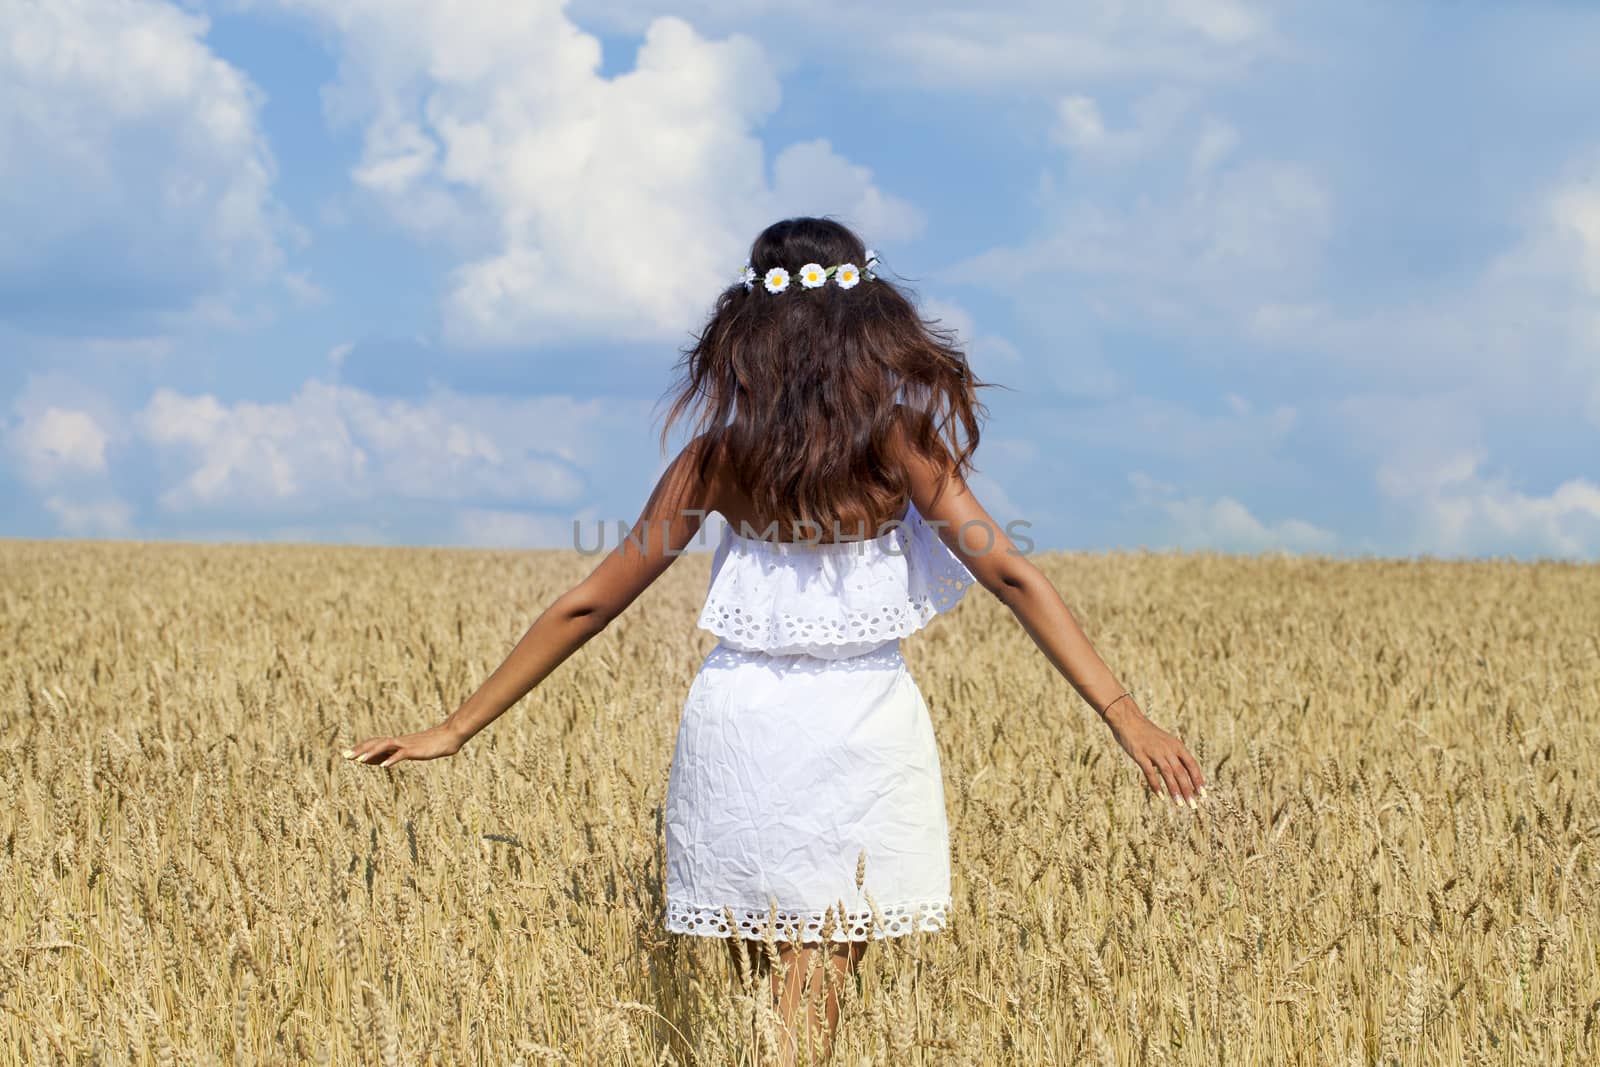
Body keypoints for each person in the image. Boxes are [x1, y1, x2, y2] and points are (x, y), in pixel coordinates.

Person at [341, 216, 1206, 1064]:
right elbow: (1012, 574)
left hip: (739, 725)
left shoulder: (717, 458)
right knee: (813, 993)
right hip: (861, 725)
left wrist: (456, 727)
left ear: (751, 329)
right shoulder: (902, 446)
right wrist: (1126, 716)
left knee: (772, 998)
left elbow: (587, 604)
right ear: (870, 324)